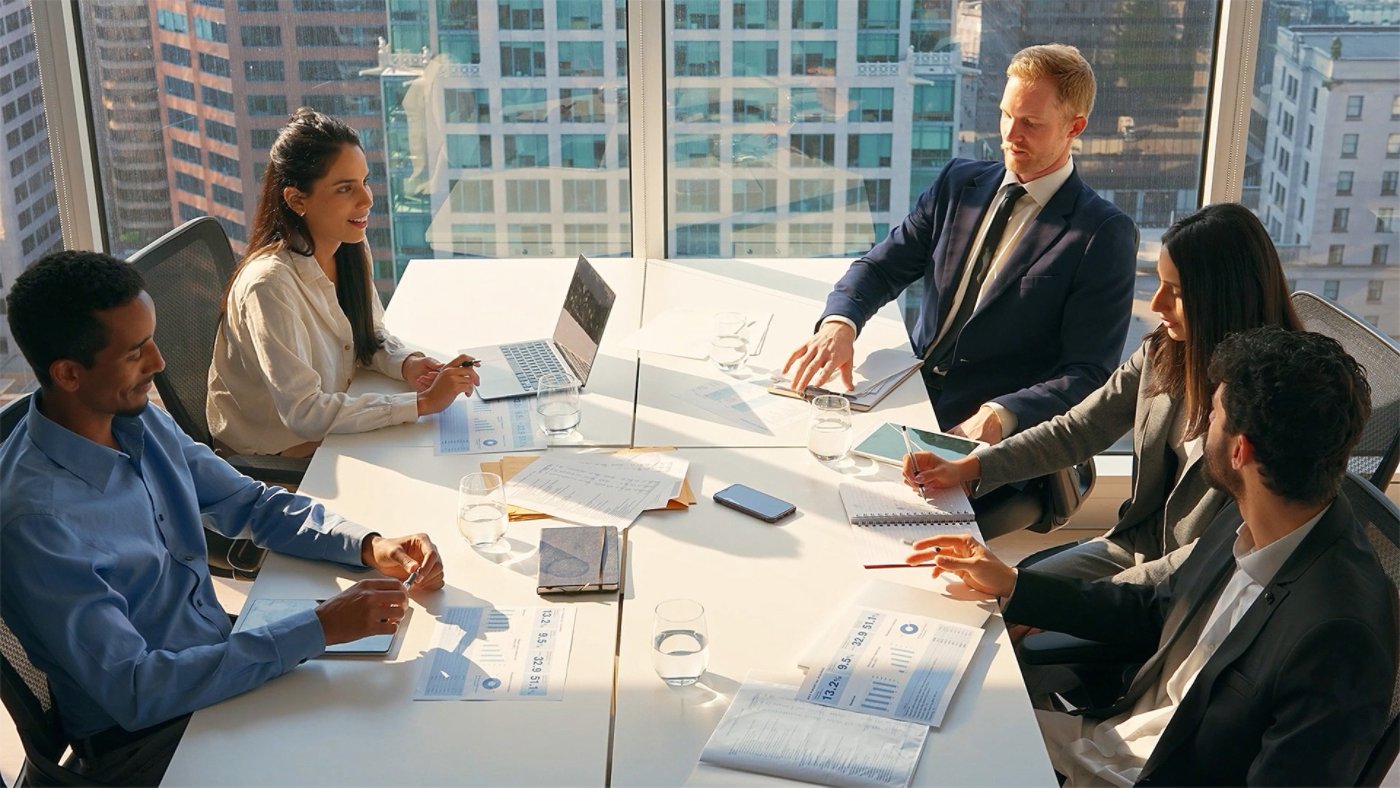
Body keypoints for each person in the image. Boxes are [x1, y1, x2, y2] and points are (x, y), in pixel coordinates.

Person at [0, 251, 447, 784]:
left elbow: (249, 504)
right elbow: (136, 690)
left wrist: (367, 545)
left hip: (214, 657)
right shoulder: (38, 521)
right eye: (135, 352)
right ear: (69, 374)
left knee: (411, 709)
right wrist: (316, 630)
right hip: (151, 738)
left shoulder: (135, 421)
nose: (159, 363)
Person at [907, 327, 1396, 785]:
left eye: (1216, 416)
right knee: (920, 719)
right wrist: (1015, 585)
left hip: (1141, 772)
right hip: (1111, 739)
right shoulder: (1251, 512)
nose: (1204, 426)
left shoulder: (1338, 634)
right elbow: (1159, 608)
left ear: (1239, 451)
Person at [904, 204, 1302, 583]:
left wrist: (1046, 597)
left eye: (1176, 292)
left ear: (1224, 298)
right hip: (1135, 546)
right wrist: (968, 466)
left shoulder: (1267, 407)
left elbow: (1216, 557)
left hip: (1191, 587)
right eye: (1159, 282)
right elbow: (1078, 429)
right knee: (992, 593)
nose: (1156, 303)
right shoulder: (1164, 352)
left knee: (1014, 604)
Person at [785, 44, 1137, 445]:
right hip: (905, 392)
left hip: (991, 438)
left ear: (1075, 127)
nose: (1009, 135)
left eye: (1031, 123)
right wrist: (840, 325)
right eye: (1005, 115)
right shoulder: (958, 184)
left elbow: (1087, 373)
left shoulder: (1102, 233)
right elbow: (882, 267)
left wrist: (1002, 415)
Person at [207, 107, 478, 457]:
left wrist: (406, 363)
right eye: (345, 189)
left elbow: (366, 334)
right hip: (276, 452)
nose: (366, 199)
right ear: (296, 199)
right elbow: (304, 413)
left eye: (365, 181)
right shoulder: (269, 287)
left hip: (332, 416)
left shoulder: (347, 244)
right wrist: (422, 403)